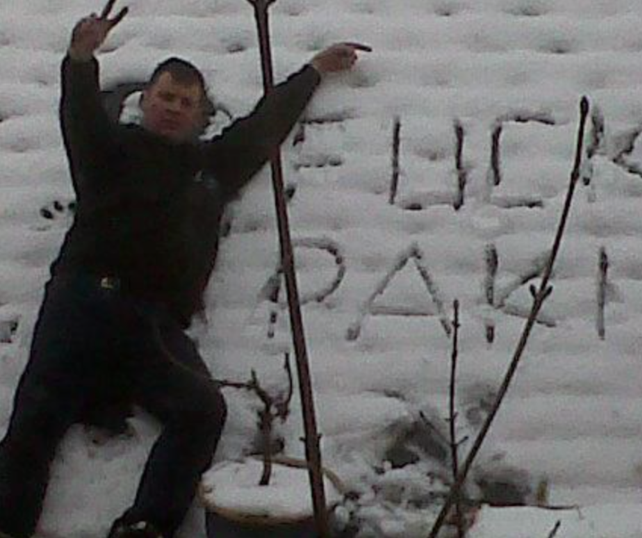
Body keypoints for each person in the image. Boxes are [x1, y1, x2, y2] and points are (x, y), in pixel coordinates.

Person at [0, 1, 368, 537]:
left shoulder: (212, 168)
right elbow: (78, 118)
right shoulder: (109, 152)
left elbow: (262, 129)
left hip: (152, 325)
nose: (173, 108)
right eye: (164, 97)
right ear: (144, 102)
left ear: (200, 114)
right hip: (82, 304)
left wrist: (312, 72)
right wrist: (80, 60)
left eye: (185, 102)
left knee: (201, 412)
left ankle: (146, 526)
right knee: (37, 415)